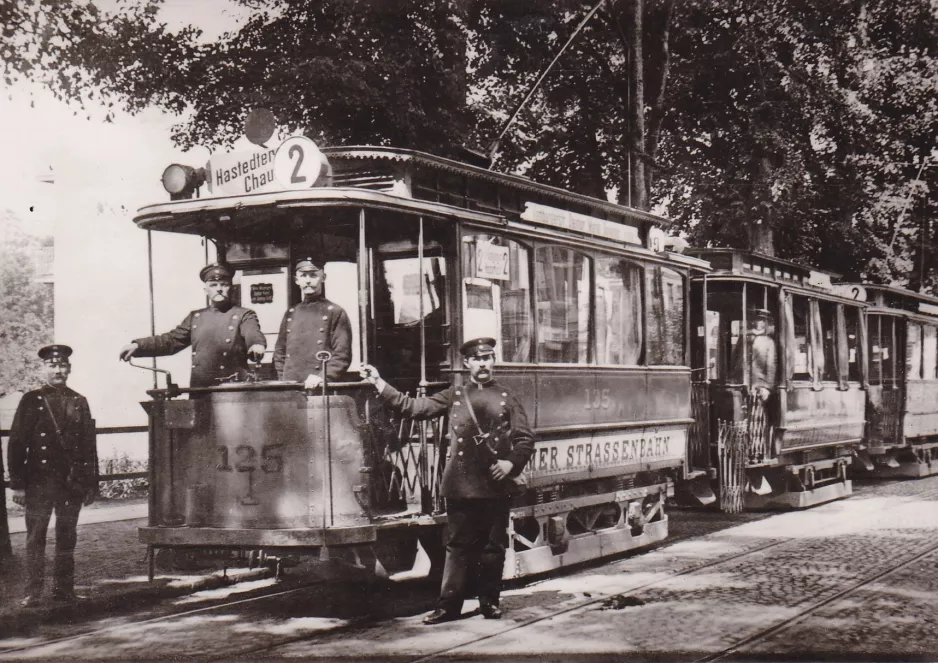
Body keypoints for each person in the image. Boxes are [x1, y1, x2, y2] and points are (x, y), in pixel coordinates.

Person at [359, 337, 535, 624]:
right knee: (457, 547)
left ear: (494, 361)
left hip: (495, 483)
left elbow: (525, 439)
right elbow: (413, 408)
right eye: (477, 359)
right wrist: (379, 382)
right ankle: (448, 606)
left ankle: (489, 602)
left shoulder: (507, 396)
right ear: (466, 364)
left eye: (488, 358)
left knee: (493, 548)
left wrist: (510, 463)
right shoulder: (454, 395)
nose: (482, 364)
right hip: (461, 485)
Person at [7, 345, 97, 606]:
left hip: (71, 482)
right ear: (43, 369)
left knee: (67, 536)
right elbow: (16, 443)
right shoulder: (31, 400)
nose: (58, 370)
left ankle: (64, 589)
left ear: (69, 369)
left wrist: (90, 483)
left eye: (62, 366)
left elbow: (89, 446)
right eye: (52, 366)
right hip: (39, 481)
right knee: (36, 537)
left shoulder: (79, 400)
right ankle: (33, 592)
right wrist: (18, 485)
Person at [118, 263, 267, 387]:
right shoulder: (196, 317)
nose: (219, 288)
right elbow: (170, 340)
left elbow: (252, 332)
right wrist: (139, 346)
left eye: (224, 284)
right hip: (201, 388)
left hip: (233, 388)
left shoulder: (244, 314)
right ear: (206, 290)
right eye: (213, 285)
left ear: (231, 288)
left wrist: (256, 345)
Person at [274, 258, 353, 389]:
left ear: (323, 277)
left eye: (313, 275)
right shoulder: (291, 313)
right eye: (303, 276)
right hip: (291, 387)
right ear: (296, 280)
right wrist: (284, 379)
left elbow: (342, 355)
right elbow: (279, 352)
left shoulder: (335, 312)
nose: (308, 280)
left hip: (319, 387)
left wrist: (322, 377)